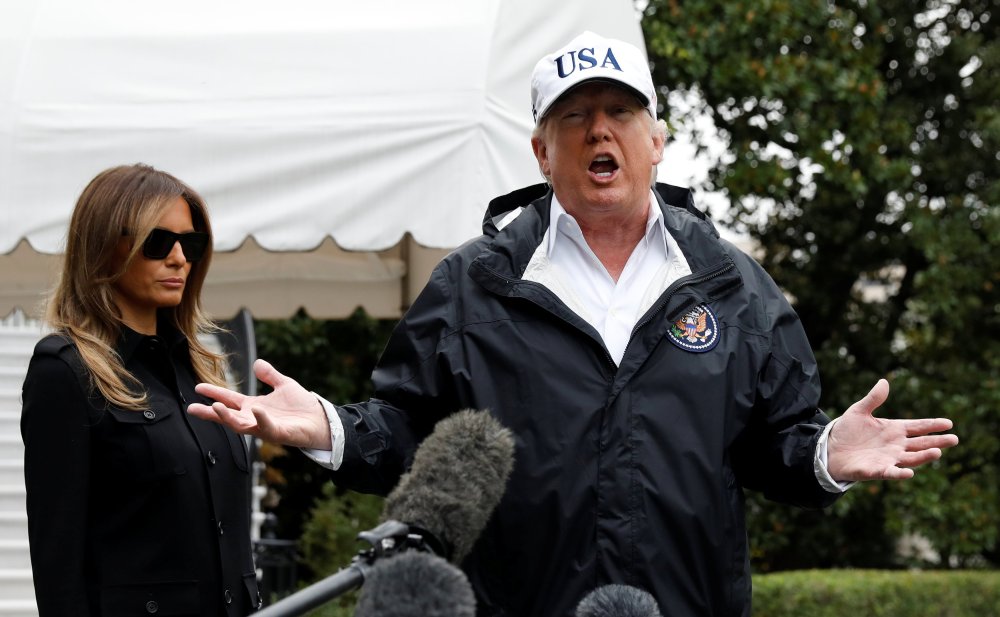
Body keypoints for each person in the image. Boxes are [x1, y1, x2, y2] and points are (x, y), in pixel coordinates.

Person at [188, 31, 958, 617]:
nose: (600, 131)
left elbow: (775, 444)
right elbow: (409, 432)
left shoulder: (731, 286)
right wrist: (327, 427)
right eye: (575, 116)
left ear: (656, 142)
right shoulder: (474, 283)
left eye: (621, 111)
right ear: (541, 150)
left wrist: (825, 452)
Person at [21, 164, 262, 616]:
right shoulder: (66, 372)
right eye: (157, 242)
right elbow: (58, 569)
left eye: (190, 244)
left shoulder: (201, 369)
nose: (179, 259)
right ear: (105, 247)